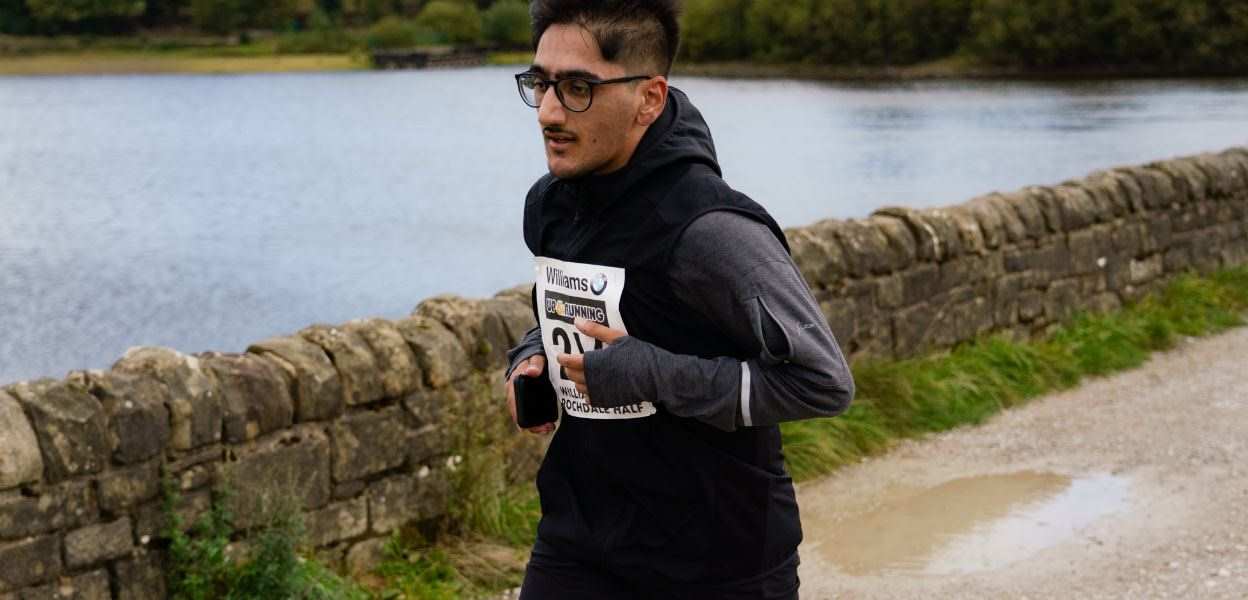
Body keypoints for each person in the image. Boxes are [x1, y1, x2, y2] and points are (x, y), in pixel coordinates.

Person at [502, 1, 856, 598]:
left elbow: (823, 382)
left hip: (720, 561)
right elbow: (574, 312)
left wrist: (650, 374)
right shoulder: (552, 203)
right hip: (579, 544)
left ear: (650, 97)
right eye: (540, 83)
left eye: (579, 87)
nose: (549, 112)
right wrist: (531, 356)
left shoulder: (711, 231)